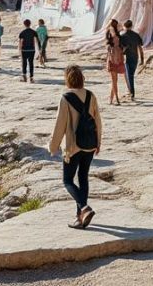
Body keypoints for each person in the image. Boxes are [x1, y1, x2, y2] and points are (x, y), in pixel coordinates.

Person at [48, 65, 103, 229]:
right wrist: (98, 142)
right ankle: (80, 217)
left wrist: (53, 146)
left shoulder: (65, 98)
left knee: (67, 180)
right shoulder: (91, 95)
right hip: (89, 145)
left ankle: (84, 208)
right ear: (82, 79)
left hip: (73, 146)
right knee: (83, 177)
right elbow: (98, 120)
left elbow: (60, 125)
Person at [119, 19, 145, 101]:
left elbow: (121, 50)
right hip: (135, 58)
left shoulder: (122, 36)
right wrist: (142, 59)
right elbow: (140, 48)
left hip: (127, 58)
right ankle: (130, 92)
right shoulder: (136, 35)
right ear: (131, 26)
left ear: (124, 26)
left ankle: (132, 94)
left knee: (129, 76)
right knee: (130, 75)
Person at [104, 19, 125, 106]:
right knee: (114, 80)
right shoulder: (112, 43)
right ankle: (116, 98)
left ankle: (112, 99)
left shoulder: (113, 38)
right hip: (114, 59)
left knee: (115, 80)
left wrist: (110, 26)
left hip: (116, 58)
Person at [19, 19, 40, 83]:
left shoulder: (22, 32)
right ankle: (31, 77)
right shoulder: (33, 32)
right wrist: (39, 49)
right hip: (31, 49)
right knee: (31, 63)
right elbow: (37, 41)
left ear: (24, 24)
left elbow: (20, 42)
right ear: (30, 24)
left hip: (24, 49)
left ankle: (24, 76)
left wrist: (20, 50)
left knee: (24, 63)